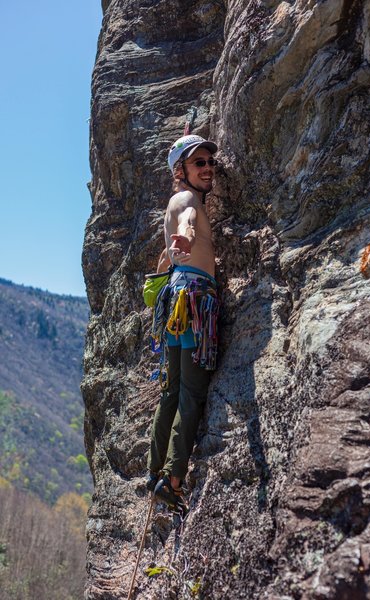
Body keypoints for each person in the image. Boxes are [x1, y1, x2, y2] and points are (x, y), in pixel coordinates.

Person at [146, 134, 219, 510]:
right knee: (191, 393)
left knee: (171, 391)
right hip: (194, 303)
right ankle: (173, 481)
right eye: (199, 163)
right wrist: (186, 241)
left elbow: (166, 254)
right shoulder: (189, 201)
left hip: (176, 300)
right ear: (181, 170)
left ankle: (154, 470)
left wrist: (172, 257)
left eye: (210, 162)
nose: (208, 168)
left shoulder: (172, 203)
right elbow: (188, 224)